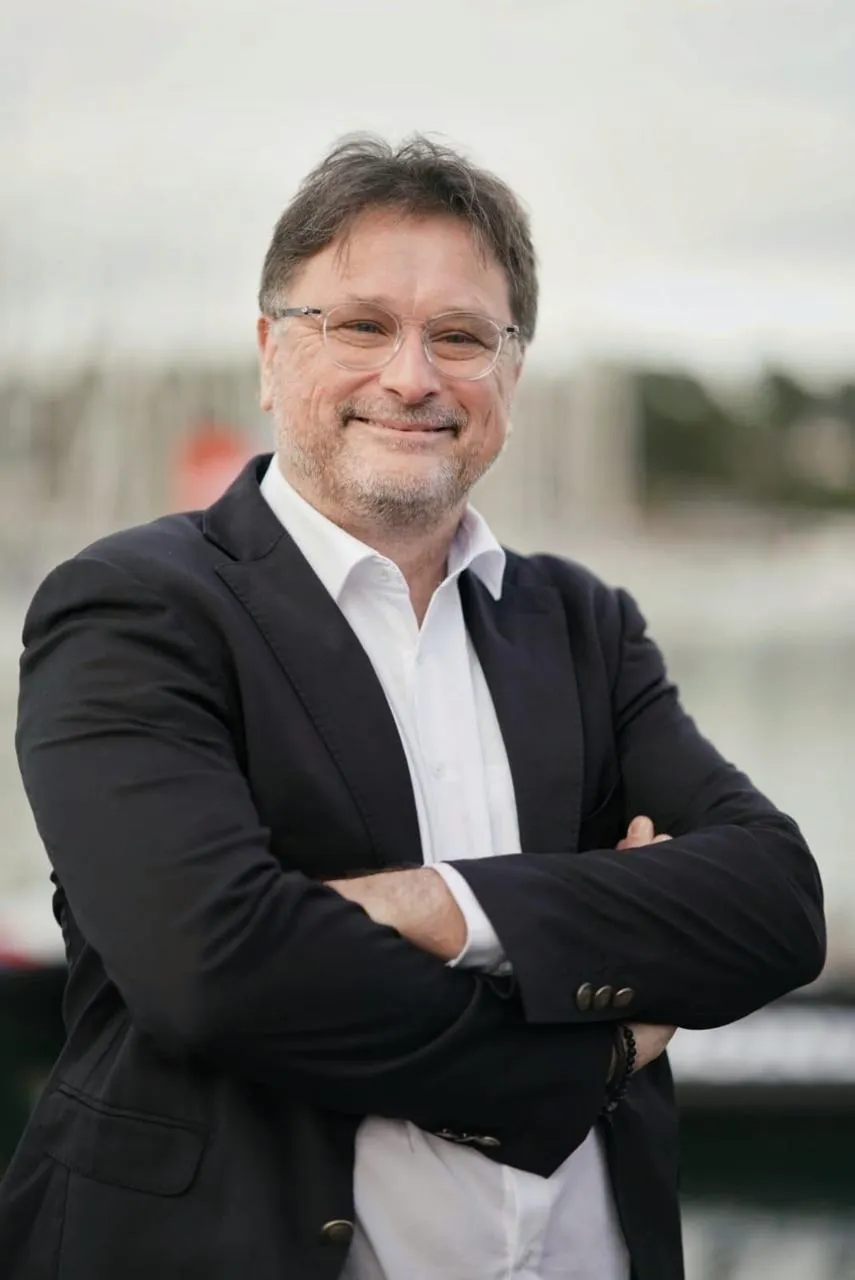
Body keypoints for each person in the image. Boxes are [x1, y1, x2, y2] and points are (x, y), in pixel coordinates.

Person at [1, 135, 824, 1280]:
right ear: (270, 353)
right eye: (361, 324)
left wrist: (434, 904)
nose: (411, 376)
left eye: (462, 336)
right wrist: (581, 1052)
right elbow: (213, 971)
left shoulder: (583, 622)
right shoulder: (135, 609)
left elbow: (776, 904)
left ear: (512, 374)